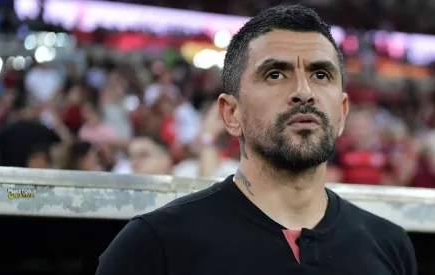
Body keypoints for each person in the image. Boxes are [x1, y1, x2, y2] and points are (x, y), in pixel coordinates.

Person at [96, 4, 417, 275]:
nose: (303, 92)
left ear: (342, 112)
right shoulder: (154, 246)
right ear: (231, 115)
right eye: (275, 74)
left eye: (321, 75)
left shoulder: (390, 247)